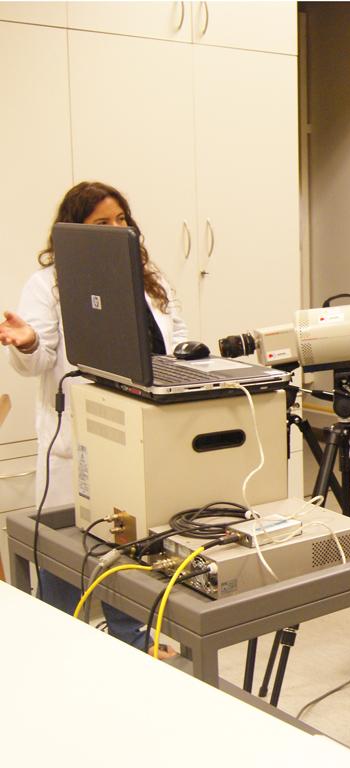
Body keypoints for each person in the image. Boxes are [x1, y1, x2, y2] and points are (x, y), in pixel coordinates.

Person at [1, 181, 188, 652]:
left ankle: (134, 639)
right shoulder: (48, 284)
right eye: (101, 223)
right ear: (74, 231)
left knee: (132, 554)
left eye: (121, 219)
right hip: (77, 443)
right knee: (67, 561)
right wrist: (27, 344)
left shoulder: (150, 278)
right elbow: (39, 359)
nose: (115, 229)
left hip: (142, 437)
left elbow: (177, 340)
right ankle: (56, 646)